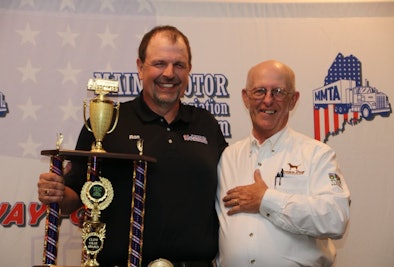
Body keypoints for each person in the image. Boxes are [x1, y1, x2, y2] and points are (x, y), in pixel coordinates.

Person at [38, 25, 228, 267]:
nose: (169, 73)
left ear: (189, 70)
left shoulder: (206, 123)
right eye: (159, 63)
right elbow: (74, 196)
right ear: (140, 67)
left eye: (179, 65)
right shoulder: (107, 122)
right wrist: (55, 192)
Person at [215, 60, 350, 267]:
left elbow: (335, 219)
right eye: (259, 91)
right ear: (246, 97)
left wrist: (266, 200)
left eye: (278, 92)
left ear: (293, 100)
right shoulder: (228, 157)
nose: (268, 100)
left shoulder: (317, 155)